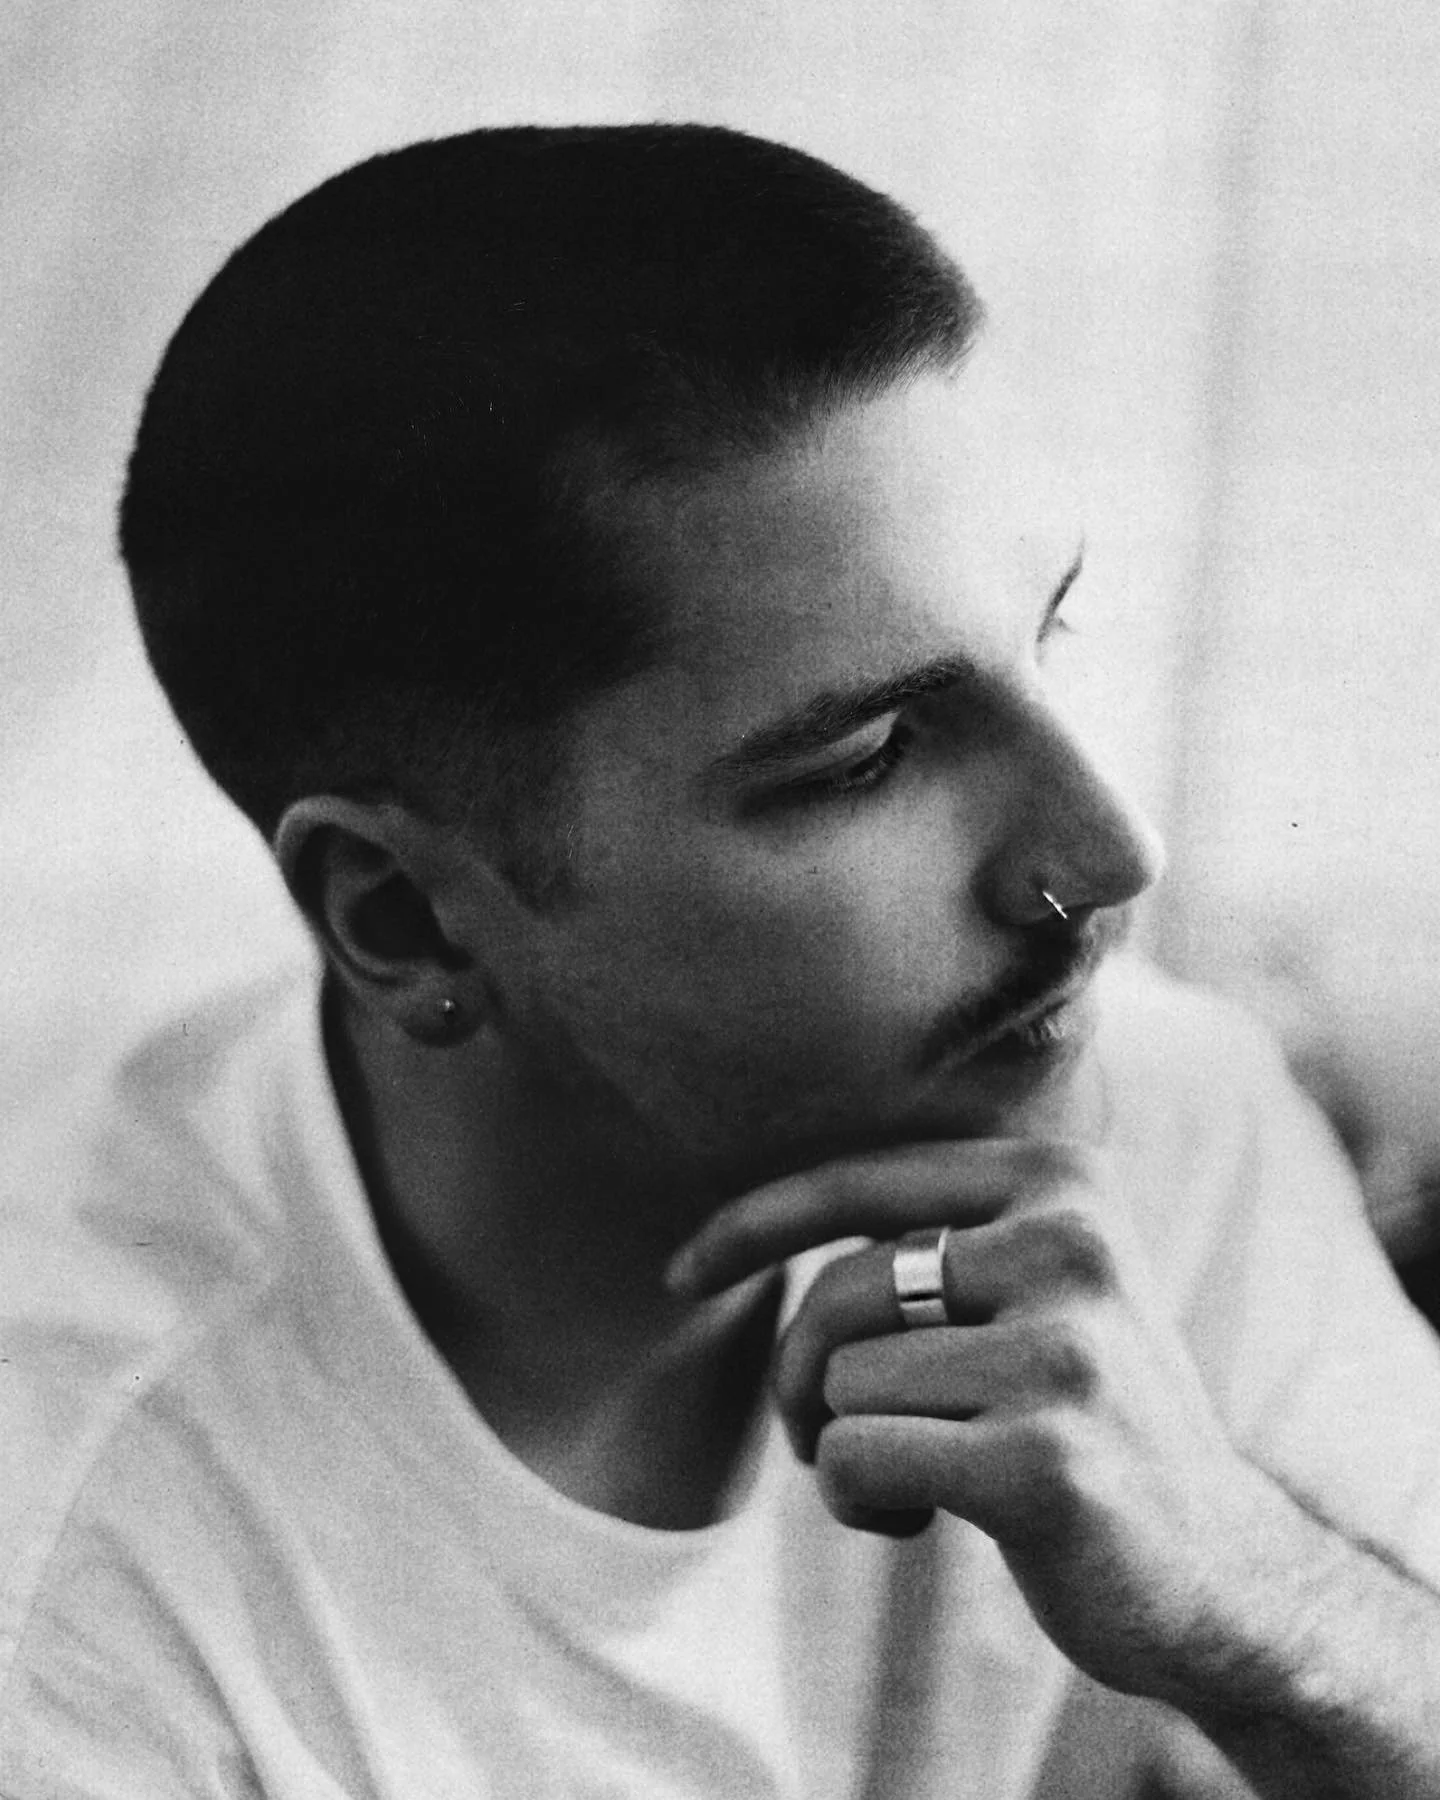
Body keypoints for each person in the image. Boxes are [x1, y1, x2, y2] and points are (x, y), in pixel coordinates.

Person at [2, 123, 1439, 1800]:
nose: (1114, 858)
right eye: (865, 759)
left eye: (1049, 630)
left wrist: (1265, 1612)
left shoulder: (1138, 1102)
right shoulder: (78, 1593)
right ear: (403, 917)